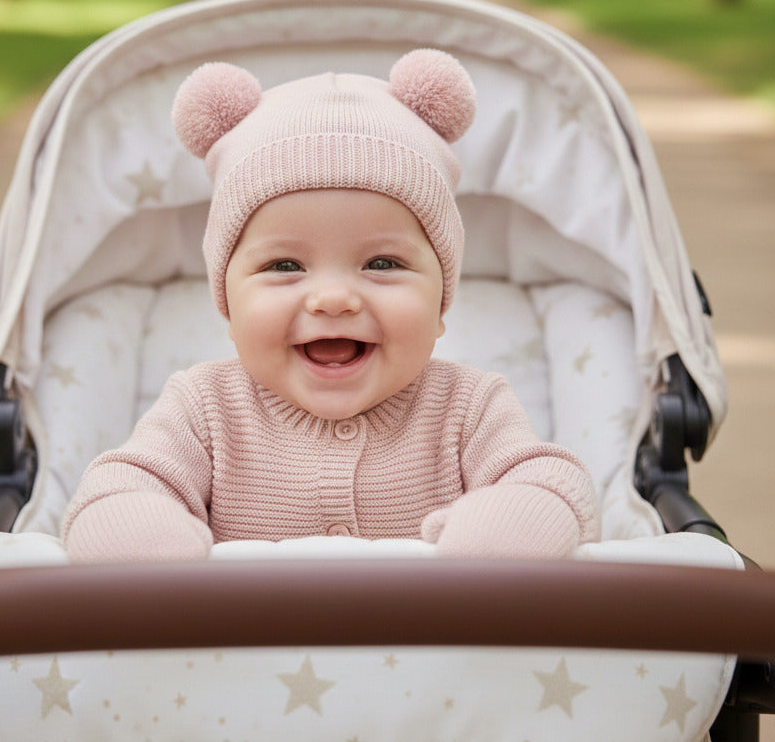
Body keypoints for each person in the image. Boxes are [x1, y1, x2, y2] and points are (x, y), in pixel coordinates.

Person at [61, 49, 600, 562]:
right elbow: (118, 484)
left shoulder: (469, 408)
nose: (334, 299)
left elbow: (553, 480)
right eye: (285, 266)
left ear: (441, 304)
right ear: (228, 304)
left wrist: (520, 516)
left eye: (383, 264)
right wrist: (130, 519)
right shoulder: (205, 410)